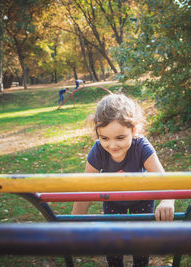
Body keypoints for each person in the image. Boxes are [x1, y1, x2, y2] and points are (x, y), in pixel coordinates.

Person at [72, 94, 175, 267]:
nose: (112, 145)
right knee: (113, 243)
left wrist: (167, 200)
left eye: (120, 138)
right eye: (104, 138)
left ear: (133, 130)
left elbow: (163, 179)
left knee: (141, 242)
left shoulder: (141, 146)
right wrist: (74, 224)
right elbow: (86, 190)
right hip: (113, 200)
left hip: (141, 199)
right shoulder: (98, 150)